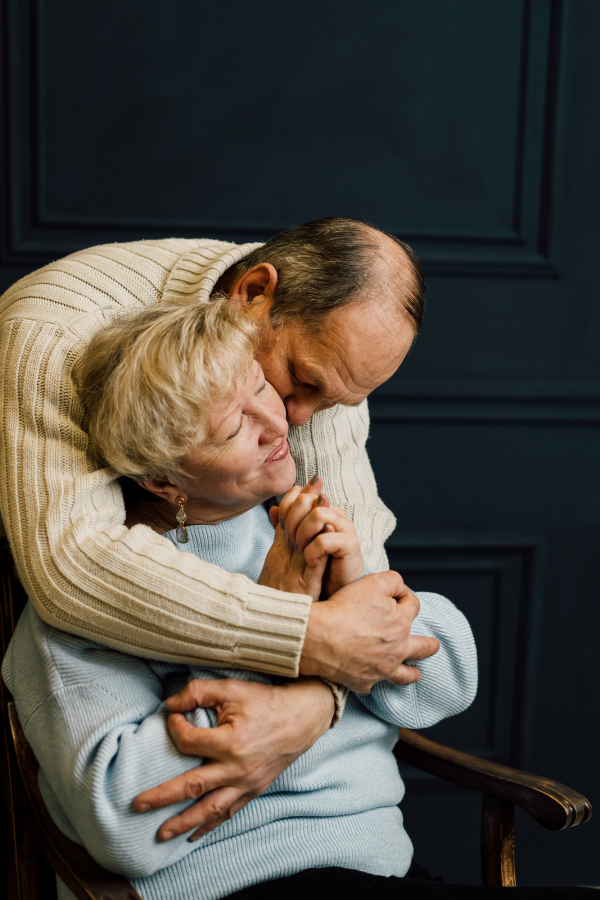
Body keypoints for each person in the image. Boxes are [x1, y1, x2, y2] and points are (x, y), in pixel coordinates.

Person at [3, 297, 478, 900]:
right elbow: (123, 821)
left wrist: (356, 591)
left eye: (262, 389)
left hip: (386, 873)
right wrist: (274, 631)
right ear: (161, 478)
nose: (279, 426)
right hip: (238, 885)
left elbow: (453, 681)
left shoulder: (295, 528)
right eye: (234, 428)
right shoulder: (95, 602)